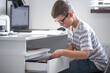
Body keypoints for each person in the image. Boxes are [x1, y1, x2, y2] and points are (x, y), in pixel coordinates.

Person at [50, 0, 108, 73]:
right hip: (87, 59)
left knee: (63, 70)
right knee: (61, 67)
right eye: (58, 22)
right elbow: (70, 48)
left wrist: (62, 52)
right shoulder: (70, 28)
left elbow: (85, 54)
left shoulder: (83, 29)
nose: (60, 25)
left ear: (70, 15)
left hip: (96, 63)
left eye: (61, 21)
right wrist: (57, 54)